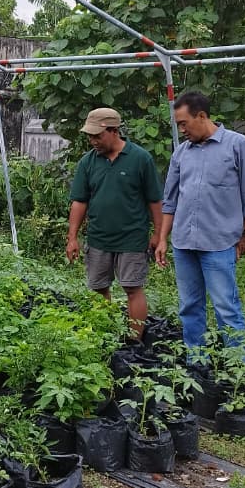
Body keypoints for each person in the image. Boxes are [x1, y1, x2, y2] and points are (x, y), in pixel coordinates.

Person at [154, 91, 245, 363]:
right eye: (178, 124)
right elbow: (170, 200)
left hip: (219, 243)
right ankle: (196, 361)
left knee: (226, 307)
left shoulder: (238, 145)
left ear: (201, 116)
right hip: (183, 243)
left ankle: (239, 367)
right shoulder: (181, 153)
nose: (181, 129)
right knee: (189, 306)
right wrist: (163, 239)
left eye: (184, 123)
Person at [65, 107, 164, 340]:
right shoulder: (88, 162)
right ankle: (103, 335)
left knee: (132, 288)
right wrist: (72, 237)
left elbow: (155, 200)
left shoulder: (140, 159)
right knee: (99, 288)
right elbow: (79, 202)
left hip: (132, 238)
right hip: (98, 238)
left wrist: (158, 234)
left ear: (114, 131)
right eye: (89, 136)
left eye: (97, 136)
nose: (93, 141)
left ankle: (133, 341)